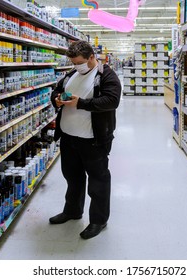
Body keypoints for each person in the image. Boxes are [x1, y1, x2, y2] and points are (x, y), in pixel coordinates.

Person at [49, 40, 122, 239]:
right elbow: (56, 91)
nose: (76, 66)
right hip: (69, 138)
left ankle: (98, 220)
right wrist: (56, 99)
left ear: (92, 57)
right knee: (72, 178)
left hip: (93, 140)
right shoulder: (72, 74)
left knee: (98, 181)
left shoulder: (106, 75)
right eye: (73, 63)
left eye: (80, 62)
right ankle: (72, 211)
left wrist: (81, 103)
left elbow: (111, 100)